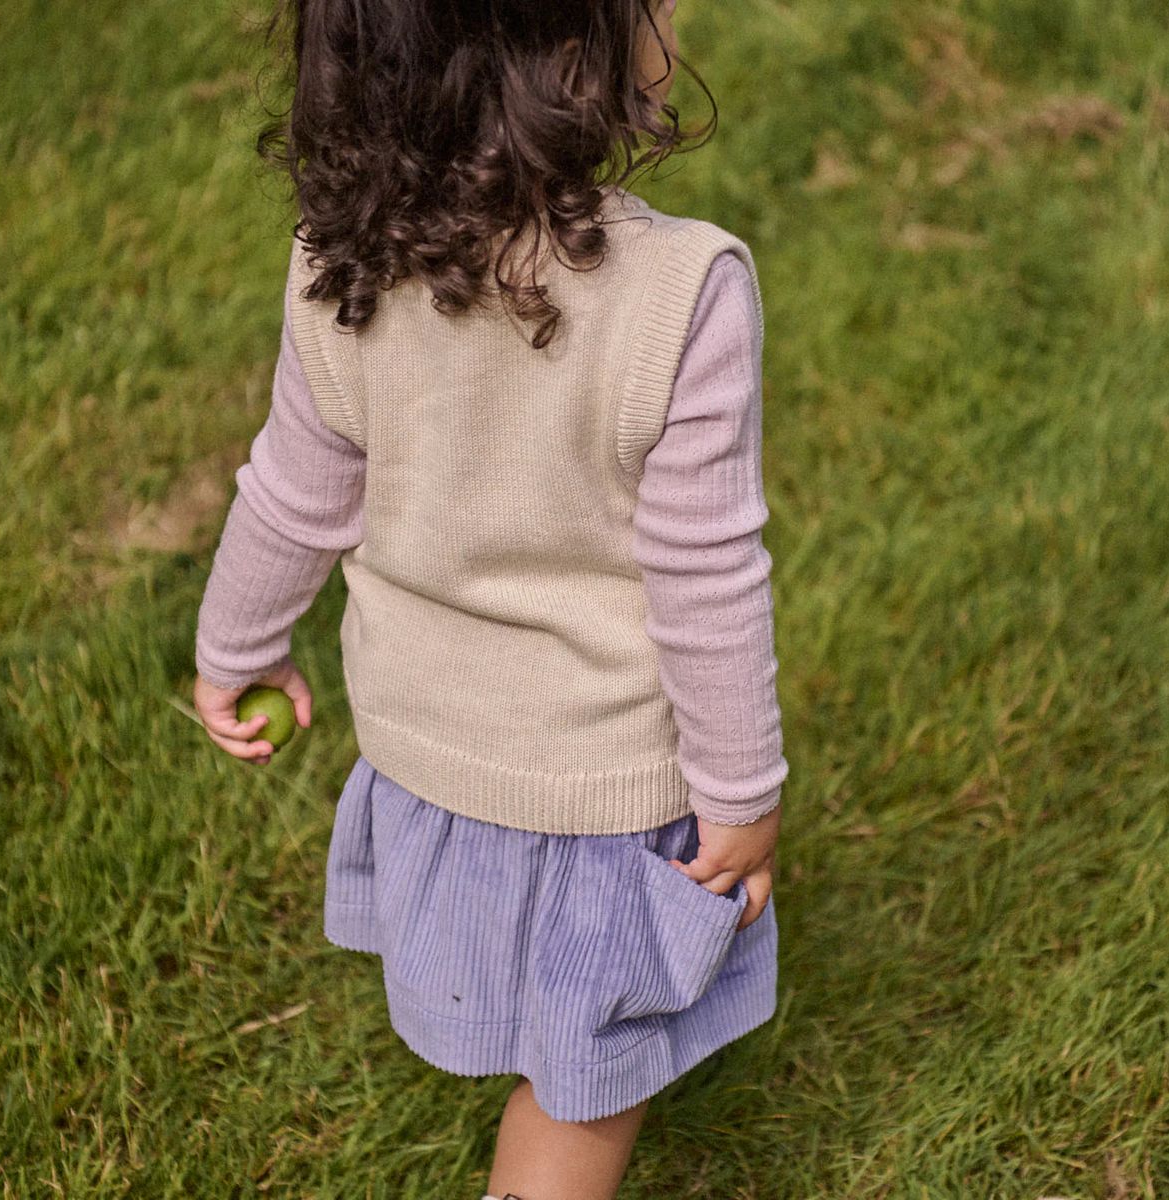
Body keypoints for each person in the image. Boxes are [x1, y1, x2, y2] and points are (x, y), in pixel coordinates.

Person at [193, 0, 788, 1195]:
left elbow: (294, 491)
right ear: (570, 55)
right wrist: (743, 794)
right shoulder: (684, 292)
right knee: (584, 1078)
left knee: (524, 996)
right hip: (606, 788)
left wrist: (236, 644)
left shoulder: (339, 257)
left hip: (428, 757)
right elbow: (707, 577)